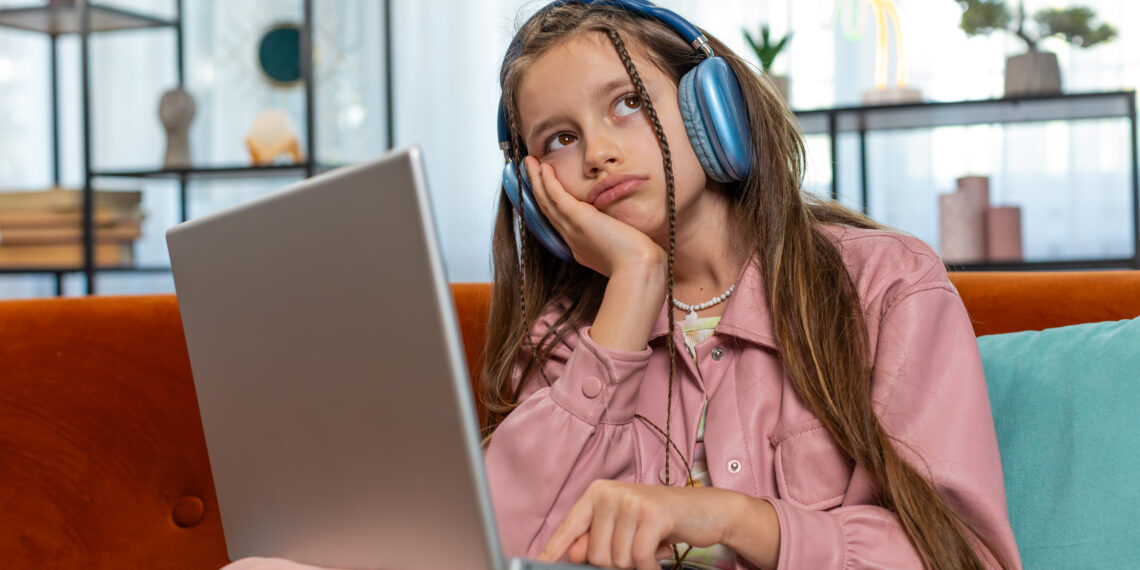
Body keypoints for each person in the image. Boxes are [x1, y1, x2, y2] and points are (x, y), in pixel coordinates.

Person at [226, 1, 1022, 569]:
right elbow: (490, 552)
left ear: (714, 110)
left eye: (627, 106)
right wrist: (633, 287)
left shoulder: (884, 286)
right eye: (561, 139)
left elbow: (964, 554)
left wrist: (731, 518)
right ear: (536, 193)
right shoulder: (570, 339)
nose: (599, 153)